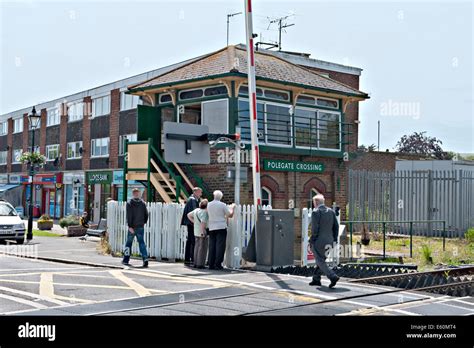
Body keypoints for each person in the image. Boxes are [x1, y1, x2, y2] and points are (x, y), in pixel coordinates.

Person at [309, 194, 340, 288]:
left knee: (320, 261)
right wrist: (334, 238)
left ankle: (332, 276)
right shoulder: (331, 211)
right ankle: (316, 279)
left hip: (318, 241)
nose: (314, 205)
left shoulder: (315, 212)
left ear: (316, 203)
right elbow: (336, 226)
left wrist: (312, 239)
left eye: (314, 203)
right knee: (321, 260)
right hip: (330, 240)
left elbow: (315, 228)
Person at [207, 190, 234, 270]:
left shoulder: (209, 204)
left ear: (214, 196)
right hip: (221, 226)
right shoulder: (222, 205)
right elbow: (230, 215)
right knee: (220, 246)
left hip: (211, 227)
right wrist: (232, 208)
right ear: (221, 197)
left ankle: (211, 264)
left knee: (212, 246)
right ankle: (217, 264)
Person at [122, 188, 149, 268]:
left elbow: (129, 216)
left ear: (133, 194)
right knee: (141, 243)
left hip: (132, 227)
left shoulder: (129, 203)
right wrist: (143, 223)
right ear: (139, 194)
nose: (137, 194)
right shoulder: (143, 203)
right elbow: (146, 215)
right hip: (140, 226)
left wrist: (129, 226)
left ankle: (126, 260)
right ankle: (145, 259)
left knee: (128, 244)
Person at [181, 187, 202, 265]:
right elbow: (195, 212)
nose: (201, 194)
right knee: (193, 241)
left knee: (189, 240)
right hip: (191, 223)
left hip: (189, 222)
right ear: (196, 192)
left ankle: (187, 259)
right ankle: (193, 258)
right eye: (200, 192)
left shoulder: (191, 199)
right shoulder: (193, 200)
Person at [187, 199, 209, 269]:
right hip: (201, 231)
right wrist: (203, 231)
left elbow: (188, 215)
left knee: (197, 247)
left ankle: (195, 262)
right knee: (202, 248)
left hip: (196, 230)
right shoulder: (204, 212)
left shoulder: (196, 210)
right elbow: (203, 223)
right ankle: (200, 264)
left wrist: (195, 222)